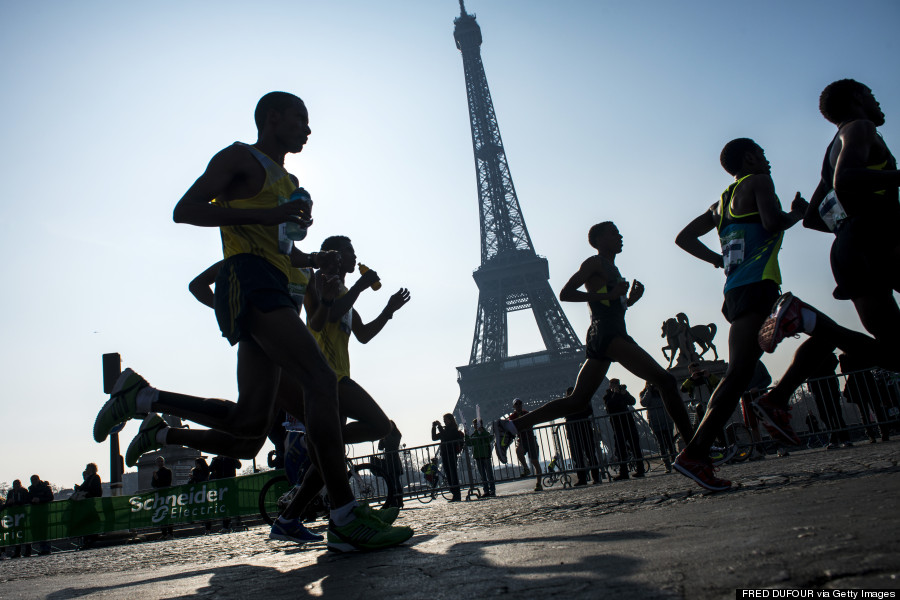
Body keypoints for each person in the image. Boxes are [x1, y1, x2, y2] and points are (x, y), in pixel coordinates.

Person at [92, 92, 411, 553]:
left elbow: (281, 247)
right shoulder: (239, 158)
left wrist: (312, 255)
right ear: (272, 118)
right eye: (301, 119)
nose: (308, 129)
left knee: (247, 428)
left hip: (274, 284)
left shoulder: (291, 180)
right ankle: (343, 516)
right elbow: (186, 210)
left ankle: (141, 397)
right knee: (321, 381)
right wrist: (269, 215)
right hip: (250, 279)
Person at [753, 80, 900, 445]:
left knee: (893, 351)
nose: (876, 101)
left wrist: (852, 228)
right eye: (870, 95)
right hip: (877, 237)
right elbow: (846, 178)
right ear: (856, 100)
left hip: (851, 245)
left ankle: (803, 329)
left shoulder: (832, 146)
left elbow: (815, 216)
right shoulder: (860, 128)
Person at [494, 222, 694, 476]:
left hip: (610, 332)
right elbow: (566, 293)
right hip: (608, 334)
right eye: (614, 233)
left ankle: (512, 426)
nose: (620, 236)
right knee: (665, 381)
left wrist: (629, 300)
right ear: (599, 240)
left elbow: (611, 303)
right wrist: (608, 296)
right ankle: (694, 451)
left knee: (577, 401)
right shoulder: (594, 263)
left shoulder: (613, 268)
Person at [675, 137, 808, 490]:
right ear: (749, 157)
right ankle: (699, 451)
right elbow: (772, 222)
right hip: (758, 283)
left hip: (734, 290)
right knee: (738, 375)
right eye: (762, 153)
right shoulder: (759, 182)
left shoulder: (720, 202)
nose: (767, 159)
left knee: (740, 373)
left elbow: (684, 237)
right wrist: (797, 214)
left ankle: (698, 452)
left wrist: (718, 260)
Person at [270, 235, 409, 542]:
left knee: (326, 464)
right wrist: (360, 288)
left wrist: (388, 310)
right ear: (336, 257)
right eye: (349, 252)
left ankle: (288, 519)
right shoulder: (320, 283)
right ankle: (322, 444)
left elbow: (363, 335)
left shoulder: (346, 294)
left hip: (336, 377)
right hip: (327, 378)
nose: (354, 257)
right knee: (379, 424)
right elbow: (326, 316)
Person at [807, 353, 852, 449]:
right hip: (821, 387)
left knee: (835, 415)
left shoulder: (824, 354)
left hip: (827, 386)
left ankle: (841, 439)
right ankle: (837, 439)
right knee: (826, 415)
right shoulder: (814, 355)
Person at [604, 379, 645, 480]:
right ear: (610, 386)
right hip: (618, 426)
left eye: (616, 385)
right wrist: (616, 394)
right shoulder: (608, 396)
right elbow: (609, 406)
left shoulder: (623, 393)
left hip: (628, 424)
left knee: (635, 447)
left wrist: (625, 393)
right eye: (613, 385)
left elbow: (632, 401)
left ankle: (640, 470)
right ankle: (624, 472)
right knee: (620, 450)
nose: (615, 387)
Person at [564, 386, 602, 485]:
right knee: (578, 457)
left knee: (590, 455)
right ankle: (582, 479)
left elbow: (589, 411)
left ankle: (595, 477)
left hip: (584, 431)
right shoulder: (567, 404)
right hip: (575, 433)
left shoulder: (583, 402)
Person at [508, 399, 544, 491]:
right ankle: (526, 468)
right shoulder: (513, 417)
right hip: (523, 440)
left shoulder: (525, 414)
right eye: (517, 404)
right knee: (518, 450)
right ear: (514, 406)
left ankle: (538, 484)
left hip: (530, 440)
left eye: (520, 403)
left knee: (535, 462)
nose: (519, 405)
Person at [640, 382, 676, 473]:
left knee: (671, 443)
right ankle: (667, 464)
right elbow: (644, 403)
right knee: (662, 444)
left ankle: (675, 463)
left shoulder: (662, 390)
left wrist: (660, 389)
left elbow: (670, 399)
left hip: (666, 420)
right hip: (656, 422)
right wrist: (649, 391)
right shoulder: (644, 393)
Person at [431, 414, 464, 501]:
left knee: (453, 474)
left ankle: (457, 494)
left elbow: (447, 437)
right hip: (445, 454)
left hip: (451, 453)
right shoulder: (445, 429)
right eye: (443, 419)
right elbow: (434, 438)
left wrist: (440, 427)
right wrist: (434, 427)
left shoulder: (453, 429)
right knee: (449, 475)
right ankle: (455, 493)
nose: (444, 421)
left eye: (445, 419)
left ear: (450, 420)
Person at [73, 463, 103, 549]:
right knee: (90, 521)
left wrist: (82, 490)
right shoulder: (92, 478)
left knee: (90, 521)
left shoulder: (94, 478)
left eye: (87, 468)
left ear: (91, 469)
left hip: (89, 502)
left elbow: (93, 490)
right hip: (89, 503)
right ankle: (90, 538)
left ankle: (91, 538)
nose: (86, 469)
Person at [209, 456, 242, 531]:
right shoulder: (217, 460)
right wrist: (214, 460)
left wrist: (233, 457)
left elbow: (239, 466)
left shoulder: (231, 457)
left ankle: (238, 524)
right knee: (223, 506)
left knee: (233, 506)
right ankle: (225, 525)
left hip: (230, 485)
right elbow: (210, 469)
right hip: (220, 487)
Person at [466, 419, 496, 497]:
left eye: (478, 424)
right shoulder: (473, 435)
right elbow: (468, 443)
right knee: (483, 475)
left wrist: (482, 432)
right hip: (478, 457)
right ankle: (486, 491)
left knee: (489, 474)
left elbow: (489, 439)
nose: (476, 426)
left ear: (481, 424)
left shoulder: (485, 433)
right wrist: (466, 435)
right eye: (475, 424)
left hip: (485, 456)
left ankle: (492, 490)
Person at [378, 421, 404, 508]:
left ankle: (399, 500)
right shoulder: (385, 436)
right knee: (390, 482)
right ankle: (393, 501)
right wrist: (381, 438)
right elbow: (380, 447)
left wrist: (386, 434)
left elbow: (393, 443)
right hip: (388, 461)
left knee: (396, 481)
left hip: (395, 460)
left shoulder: (397, 435)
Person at [3, 480, 31, 557]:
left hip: (21, 515)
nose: (16, 486)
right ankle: (17, 552)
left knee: (23, 533)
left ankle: (27, 551)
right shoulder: (10, 492)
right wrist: (9, 503)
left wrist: (16, 502)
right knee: (15, 533)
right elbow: (7, 503)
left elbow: (26, 501)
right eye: (14, 484)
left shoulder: (24, 491)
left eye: (17, 484)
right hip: (13, 515)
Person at [27, 475, 54, 556]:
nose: (33, 481)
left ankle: (46, 548)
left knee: (44, 531)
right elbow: (28, 499)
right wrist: (32, 501)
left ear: (38, 480)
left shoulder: (45, 487)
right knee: (38, 531)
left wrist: (40, 500)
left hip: (44, 512)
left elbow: (50, 497)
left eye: (34, 480)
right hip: (35, 513)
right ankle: (43, 548)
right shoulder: (31, 489)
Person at [151, 456, 174, 539]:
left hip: (166, 495)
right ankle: (164, 533)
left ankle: (170, 533)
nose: (160, 463)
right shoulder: (156, 473)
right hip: (160, 496)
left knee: (168, 514)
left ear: (163, 462)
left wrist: (157, 479)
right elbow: (153, 484)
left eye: (161, 461)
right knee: (161, 514)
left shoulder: (168, 471)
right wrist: (155, 478)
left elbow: (167, 482)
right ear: (156, 463)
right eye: (159, 462)